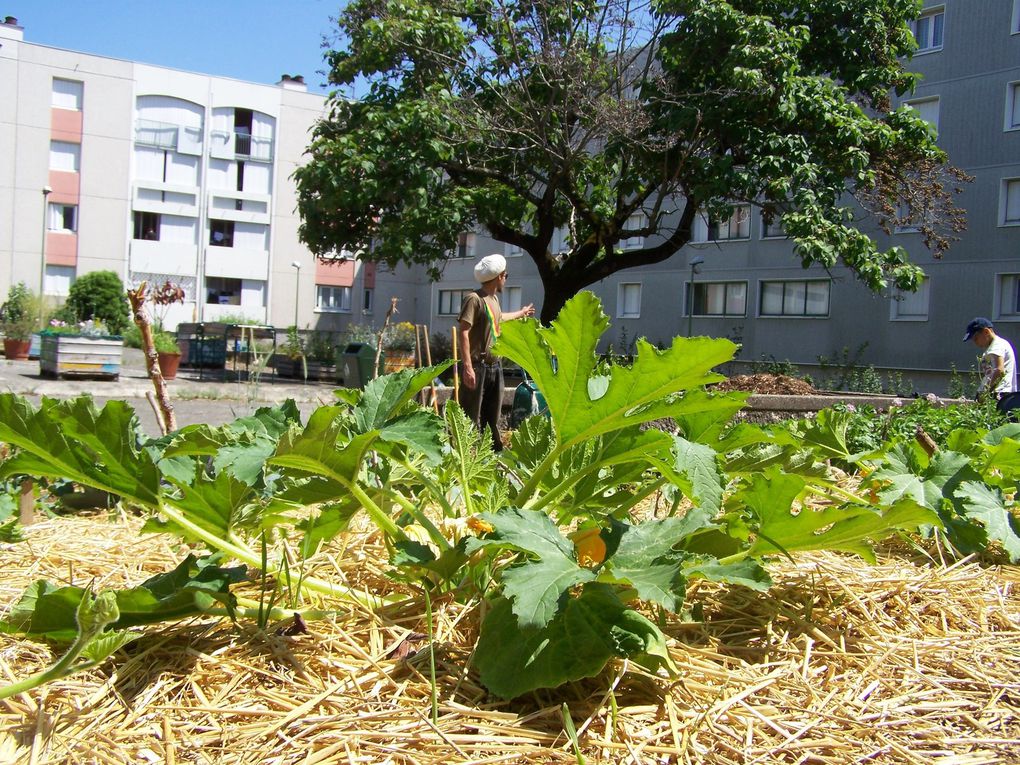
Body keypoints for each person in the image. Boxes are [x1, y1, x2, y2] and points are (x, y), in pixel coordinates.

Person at [458, 253, 535, 451]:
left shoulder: (493, 299)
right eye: (505, 276)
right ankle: (465, 458)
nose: (506, 280)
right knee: (470, 418)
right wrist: (467, 367)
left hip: (495, 367)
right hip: (478, 367)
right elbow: (464, 332)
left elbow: (499, 318)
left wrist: (521, 313)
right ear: (499, 276)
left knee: (492, 418)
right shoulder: (474, 299)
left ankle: (493, 458)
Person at [963, 317, 1018, 414]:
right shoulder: (996, 345)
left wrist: (985, 394)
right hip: (996, 393)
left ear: (986, 332)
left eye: (976, 338)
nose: (975, 343)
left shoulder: (997, 346)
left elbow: (999, 370)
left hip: (997, 394)